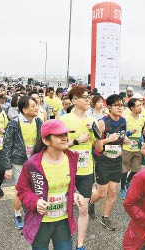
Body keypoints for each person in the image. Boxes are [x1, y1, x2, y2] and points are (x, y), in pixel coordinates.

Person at [16, 119, 84, 250]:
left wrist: (75, 193)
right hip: (40, 222)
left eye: (66, 134)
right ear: (46, 140)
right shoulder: (33, 164)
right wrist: (35, 201)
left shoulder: (71, 158)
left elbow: (70, 183)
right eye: (59, 135)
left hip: (63, 221)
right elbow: (22, 190)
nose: (65, 138)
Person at [59, 86, 102, 250]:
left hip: (86, 171)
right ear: (74, 100)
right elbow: (58, 147)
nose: (87, 99)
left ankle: (80, 245)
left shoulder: (93, 121)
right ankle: (64, 239)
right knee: (66, 207)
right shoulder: (64, 120)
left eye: (88, 97)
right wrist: (77, 141)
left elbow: (99, 148)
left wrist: (95, 134)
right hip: (66, 170)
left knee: (83, 208)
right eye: (83, 97)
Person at [89, 94, 129, 231]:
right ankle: (90, 202)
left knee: (113, 192)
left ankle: (105, 218)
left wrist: (125, 140)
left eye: (122, 105)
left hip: (117, 160)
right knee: (102, 193)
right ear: (109, 107)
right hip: (103, 160)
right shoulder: (102, 122)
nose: (120, 108)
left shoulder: (123, 121)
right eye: (117, 105)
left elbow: (122, 137)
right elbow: (97, 146)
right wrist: (109, 139)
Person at [3, 96, 43, 229]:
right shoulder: (14, 124)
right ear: (24, 110)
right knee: (20, 189)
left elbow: (41, 141)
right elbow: (7, 146)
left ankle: (29, 209)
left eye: (37, 105)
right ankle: (17, 214)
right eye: (33, 106)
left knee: (33, 188)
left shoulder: (38, 121)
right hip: (18, 161)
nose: (37, 108)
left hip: (34, 161)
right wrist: (7, 167)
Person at [120, 98, 145, 199]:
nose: (140, 107)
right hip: (126, 147)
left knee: (136, 169)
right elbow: (121, 132)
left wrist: (143, 135)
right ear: (132, 108)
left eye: (141, 105)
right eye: (138, 106)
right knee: (124, 170)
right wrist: (126, 136)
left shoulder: (141, 118)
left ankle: (128, 181)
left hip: (137, 147)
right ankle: (122, 187)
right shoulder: (125, 118)